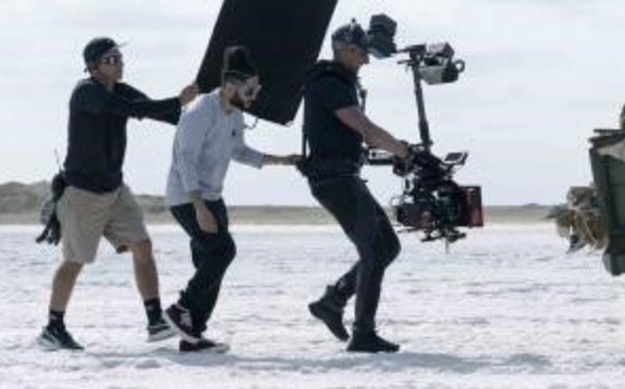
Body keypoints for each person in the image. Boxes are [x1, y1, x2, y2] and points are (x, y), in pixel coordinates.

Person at [38, 38, 199, 351]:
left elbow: (163, 113)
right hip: (82, 194)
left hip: (115, 189)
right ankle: (53, 328)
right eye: (112, 59)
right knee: (74, 261)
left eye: (120, 57)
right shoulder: (86, 92)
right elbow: (131, 110)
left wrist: (206, 105)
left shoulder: (120, 89)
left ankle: (154, 320)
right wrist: (177, 101)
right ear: (93, 66)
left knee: (142, 245)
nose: (119, 63)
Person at [163, 46, 302, 354]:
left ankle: (193, 335)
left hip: (212, 195)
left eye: (257, 89)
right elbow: (185, 159)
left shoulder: (235, 114)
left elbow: (239, 151)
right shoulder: (200, 111)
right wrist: (198, 206)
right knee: (223, 251)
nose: (254, 96)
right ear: (229, 86)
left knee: (209, 263)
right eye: (250, 90)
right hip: (186, 196)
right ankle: (180, 309)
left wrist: (283, 160)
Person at [300, 20, 412, 353]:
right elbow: (367, 130)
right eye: (361, 53)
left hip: (342, 177)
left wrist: (395, 150)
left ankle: (332, 301)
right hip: (334, 179)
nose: (365, 60)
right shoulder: (331, 84)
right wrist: (404, 150)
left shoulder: (340, 82)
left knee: (387, 246)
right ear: (345, 50)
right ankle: (363, 334)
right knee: (373, 251)